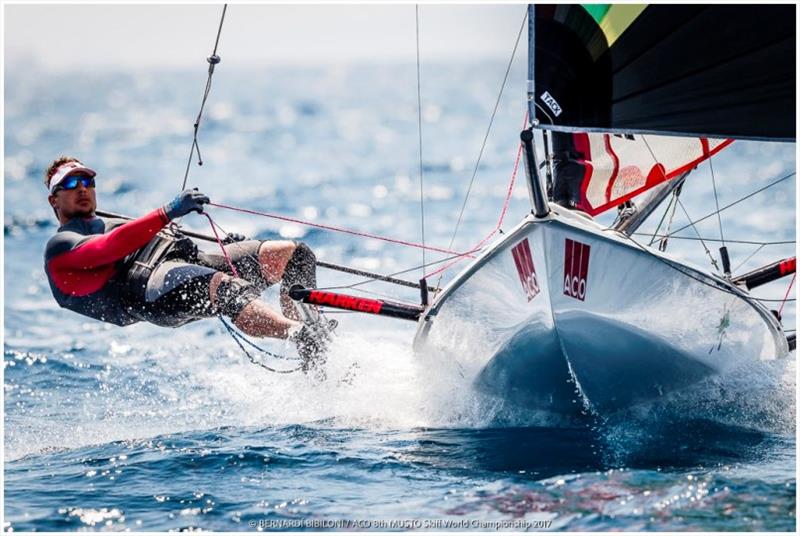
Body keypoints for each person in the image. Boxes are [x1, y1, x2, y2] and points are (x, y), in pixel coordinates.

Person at [43, 156, 328, 371]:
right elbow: (108, 248)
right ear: (54, 200)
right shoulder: (61, 246)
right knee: (227, 289)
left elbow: (135, 237)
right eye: (69, 183)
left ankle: (316, 354)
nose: (81, 188)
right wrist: (167, 212)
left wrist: (227, 247)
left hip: (188, 261)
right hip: (151, 291)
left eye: (87, 181)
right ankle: (299, 334)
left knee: (293, 254)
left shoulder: (110, 222)